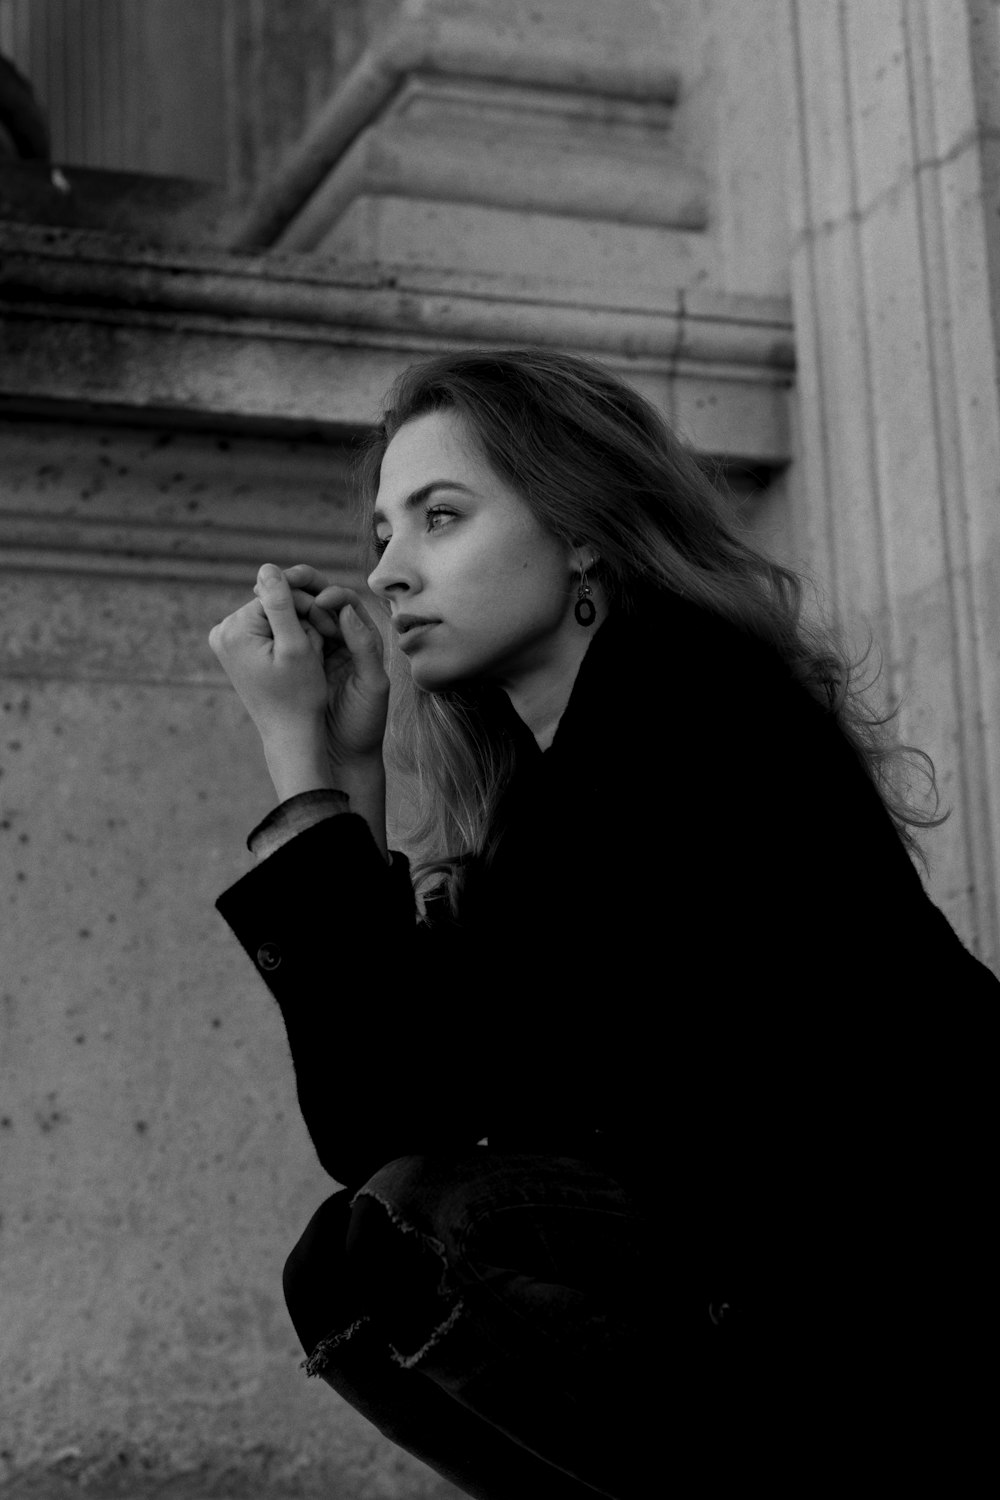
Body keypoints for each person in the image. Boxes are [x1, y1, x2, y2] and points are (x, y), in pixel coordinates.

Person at [208, 347, 996, 1497]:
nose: (389, 572)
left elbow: (398, 1109)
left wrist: (296, 759)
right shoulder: (557, 783)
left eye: (441, 518)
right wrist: (346, 772)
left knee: (426, 1233)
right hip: (793, 1298)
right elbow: (380, 1112)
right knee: (358, 1271)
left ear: (581, 531)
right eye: (384, 533)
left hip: (918, 1304)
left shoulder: (691, 715)